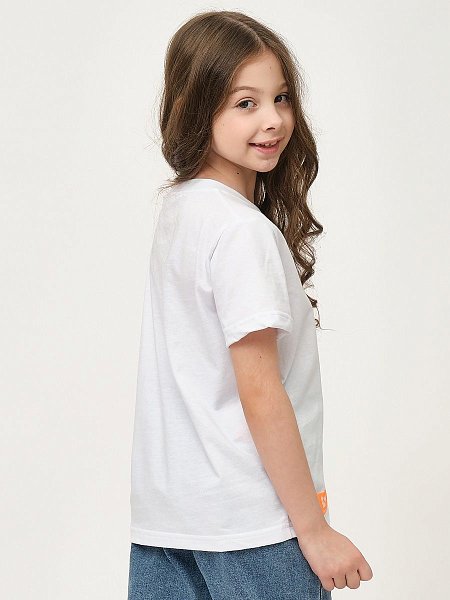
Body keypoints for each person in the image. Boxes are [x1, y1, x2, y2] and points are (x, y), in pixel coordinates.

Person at [128, 9, 373, 600]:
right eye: (245, 103)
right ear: (197, 108)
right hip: (253, 525)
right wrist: (313, 530)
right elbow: (259, 389)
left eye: (281, 97)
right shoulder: (240, 230)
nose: (273, 120)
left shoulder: (181, 210)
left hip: (169, 520)